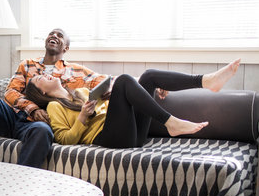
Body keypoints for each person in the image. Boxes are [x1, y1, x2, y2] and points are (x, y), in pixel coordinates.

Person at [0, 28, 110, 168]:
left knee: (44, 131)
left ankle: (19, 186)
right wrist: (33, 108)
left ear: (66, 48)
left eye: (59, 35)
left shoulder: (75, 70)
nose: (53, 36)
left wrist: (113, 87)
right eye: (51, 33)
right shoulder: (27, 64)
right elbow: (10, 92)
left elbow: (102, 80)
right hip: (12, 116)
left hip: (36, 125)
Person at [24, 59, 241, 148]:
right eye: (40, 78)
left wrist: (148, 89)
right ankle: (171, 122)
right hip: (109, 138)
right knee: (125, 80)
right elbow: (63, 139)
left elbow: (114, 104)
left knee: (149, 76)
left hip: (132, 133)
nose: (46, 75)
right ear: (41, 92)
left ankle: (206, 81)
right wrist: (82, 117)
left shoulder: (80, 92)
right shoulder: (54, 107)